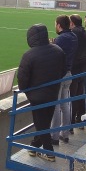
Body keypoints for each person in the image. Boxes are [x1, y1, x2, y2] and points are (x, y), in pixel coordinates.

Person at [17, 24, 66, 162]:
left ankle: (49, 152)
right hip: (52, 93)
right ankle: (34, 146)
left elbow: (22, 78)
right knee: (44, 122)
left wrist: (25, 90)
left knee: (41, 124)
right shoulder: (58, 50)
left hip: (36, 96)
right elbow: (63, 70)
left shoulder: (29, 55)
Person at [50, 15, 78, 144]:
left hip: (59, 75)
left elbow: (55, 56)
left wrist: (52, 45)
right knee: (65, 104)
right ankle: (65, 133)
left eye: (56, 24)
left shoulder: (61, 38)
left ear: (59, 25)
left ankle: (54, 136)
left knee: (56, 106)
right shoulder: (73, 36)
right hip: (69, 73)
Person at [69, 14, 86, 125]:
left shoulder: (74, 33)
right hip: (82, 68)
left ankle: (71, 122)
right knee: (79, 95)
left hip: (75, 69)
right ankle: (78, 118)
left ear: (72, 23)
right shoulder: (84, 32)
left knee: (72, 96)